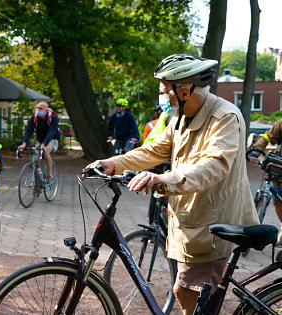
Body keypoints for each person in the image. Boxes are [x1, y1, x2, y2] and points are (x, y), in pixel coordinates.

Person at [88, 54, 259, 315]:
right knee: (187, 294)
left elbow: (214, 165)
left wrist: (162, 179)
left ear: (184, 91)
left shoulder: (225, 117)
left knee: (189, 295)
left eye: (163, 92)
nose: (161, 98)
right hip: (192, 223)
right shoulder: (180, 116)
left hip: (214, 225)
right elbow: (154, 150)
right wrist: (114, 162)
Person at [249, 121, 282, 243]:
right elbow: (267, 136)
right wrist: (255, 152)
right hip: (280, 170)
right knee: (277, 201)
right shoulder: (281, 124)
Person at [18, 101, 60, 182]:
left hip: (52, 139)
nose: (38, 110)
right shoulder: (34, 118)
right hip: (40, 139)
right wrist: (24, 143)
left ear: (46, 109)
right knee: (36, 159)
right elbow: (29, 130)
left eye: (41, 108)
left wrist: (44, 144)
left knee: (45, 151)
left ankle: (49, 175)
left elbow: (52, 131)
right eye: (37, 108)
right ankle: (39, 180)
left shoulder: (53, 117)